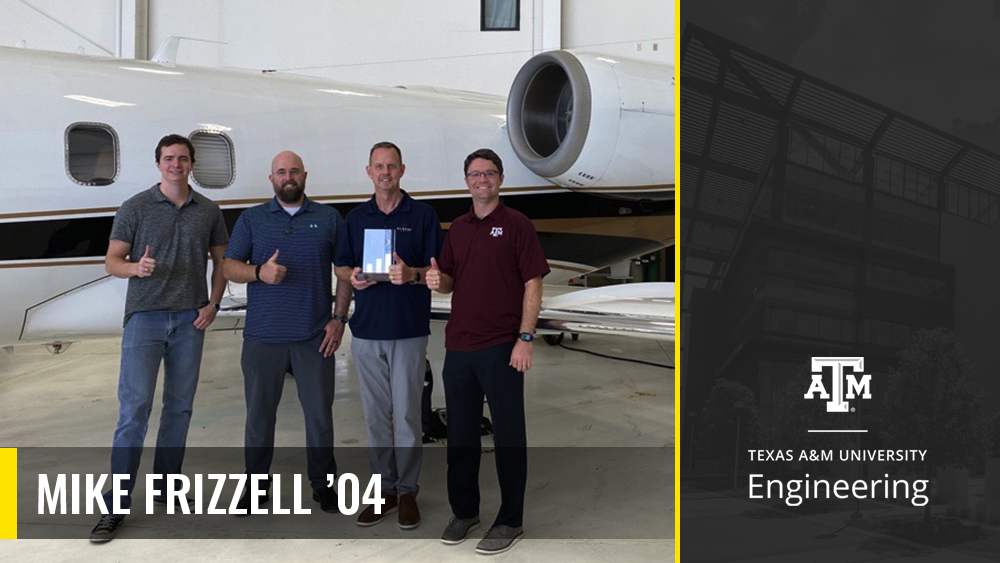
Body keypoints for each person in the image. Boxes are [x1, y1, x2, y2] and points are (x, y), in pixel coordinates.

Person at [91, 134, 229, 543]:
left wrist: (213, 304)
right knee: (134, 410)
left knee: (179, 409)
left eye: (183, 159)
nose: (176, 165)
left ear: (191, 165)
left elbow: (222, 262)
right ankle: (114, 507)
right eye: (169, 159)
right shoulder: (134, 207)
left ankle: (166, 486)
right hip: (145, 320)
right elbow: (112, 261)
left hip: (191, 319)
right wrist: (136, 269)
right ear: (158, 164)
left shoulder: (209, 211)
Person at [426, 148, 549, 555]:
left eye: (490, 173)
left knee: (510, 436)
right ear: (466, 181)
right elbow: (449, 283)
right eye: (475, 174)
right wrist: (433, 279)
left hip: (502, 348)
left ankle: (510, 520)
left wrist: (525, 339)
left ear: (500, 179)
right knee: (461, 437)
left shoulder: (517, 225)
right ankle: (465, 511)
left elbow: (533, 283)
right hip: (459, 347)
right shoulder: (457, 228)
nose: (483, 180)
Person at [222, 150, 350, 514]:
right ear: (271, 179)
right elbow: (230, 266)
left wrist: (339, 319)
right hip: (263, 337)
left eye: (294, 171)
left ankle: (324, 485)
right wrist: (258, 271)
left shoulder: (328, 219)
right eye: (281, 172)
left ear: (305, 176)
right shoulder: (252, 219)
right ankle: (256, 486)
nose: (288, 177)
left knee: (320, 417)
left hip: (314, 336)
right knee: (259, 418)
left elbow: (344, 271)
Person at [334, 141, 442, 529]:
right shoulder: (356, 218)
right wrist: (354, 278)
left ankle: (408, 490)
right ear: (369, 172)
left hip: (409, 331)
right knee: (377, 417)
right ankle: (384, 490)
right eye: (378, 167)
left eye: (391, 166)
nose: (385, 173)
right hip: (367, 334)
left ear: (402, 170)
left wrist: (410, 274)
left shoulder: (424, 215)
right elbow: (341, 266)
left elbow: (437, 273)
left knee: (409, 417)